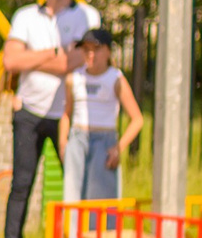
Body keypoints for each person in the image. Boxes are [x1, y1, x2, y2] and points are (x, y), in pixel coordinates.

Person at [0, 0, 98, 238]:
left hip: (68, 115)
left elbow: (73, 64)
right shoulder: (25, 16)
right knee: (21, 183)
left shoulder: (87, 17)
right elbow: (10, 61)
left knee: (77, 187)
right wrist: (57, 53)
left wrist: (33, 57)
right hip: (29, 111)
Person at [57, 28, 141, 201]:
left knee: (102, 201)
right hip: (78, 138)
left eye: (95, 49)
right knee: (73, 197)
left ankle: (104, 230)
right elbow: (67, 114)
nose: (90, 54)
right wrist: (63, 143)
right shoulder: (74, 78)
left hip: (104, 141)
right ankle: (74, 229)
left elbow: (137, 119)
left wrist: (118, 148)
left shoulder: (115, 79)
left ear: (108, 52)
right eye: (86, 49)